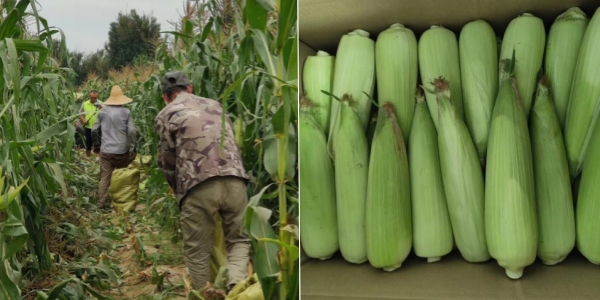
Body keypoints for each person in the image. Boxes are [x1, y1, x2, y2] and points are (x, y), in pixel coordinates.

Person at [154, 71, 250, 293]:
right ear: (190, 88)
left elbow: (167, 162)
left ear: (165, 96)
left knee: (198, 251)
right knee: (239, 241)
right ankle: (235, 290)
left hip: (198, 184)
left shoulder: (166, 114)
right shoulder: (216, 105)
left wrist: (178, 191)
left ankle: (203, 295)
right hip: (236, 179)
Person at [92, 85, 137, 210]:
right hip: (122, 151)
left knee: (105, 177)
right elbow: (132, 131)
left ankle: (101, 203)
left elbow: (94, 130)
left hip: (106, 151)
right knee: (122, 177)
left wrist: (97, 146)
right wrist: (132, 148)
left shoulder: (102, 112)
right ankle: (121, 203)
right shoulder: (126, 112)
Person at [79, 90, 103, 161]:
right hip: (88, 127)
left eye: (95, 98)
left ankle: (98, 158)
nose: (94, 99)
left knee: (98, 143)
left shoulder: (101, 104)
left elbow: (105, 113)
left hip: (98, 127)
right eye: (92, 98)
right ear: (89, 97)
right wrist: (83, 120)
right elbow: (80, 113)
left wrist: (101, 107)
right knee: (88, 143)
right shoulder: (85, 104)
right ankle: (88, 158)